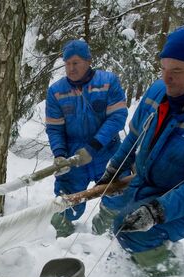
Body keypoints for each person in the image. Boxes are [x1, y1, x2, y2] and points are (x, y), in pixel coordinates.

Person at [95, 23, 184, 277]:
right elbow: (133, 137)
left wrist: (156, 211)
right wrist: (114, 170)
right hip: (144, 182)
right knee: (109, 200)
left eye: (176, 71)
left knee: (133, 230)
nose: (166, 79)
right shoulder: (158, 92)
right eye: (163, 68)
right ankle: (100, 247)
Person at [45, 39, 128, 237]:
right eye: (67, 64)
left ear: (89, 61)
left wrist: (93, 147)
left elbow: (117, 118)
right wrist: (60, 155)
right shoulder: (56, 91)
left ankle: (104, 231)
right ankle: (62, 238)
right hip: (74, 158)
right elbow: (55, 128)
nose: (71, 68)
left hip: (107, 151)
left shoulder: (108, 82)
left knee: (118, 195)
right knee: (65, 203)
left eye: (76, 62)